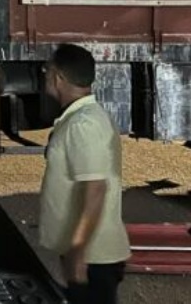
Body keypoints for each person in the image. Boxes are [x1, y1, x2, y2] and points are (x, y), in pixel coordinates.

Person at [39, 44, 130, 304]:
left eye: (47, 71)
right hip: (89, 255)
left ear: (57, 77)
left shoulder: (83, 125)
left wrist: (78, 248)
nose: (45, 76)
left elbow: (95, 188)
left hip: (93, 257)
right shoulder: (82, 117)